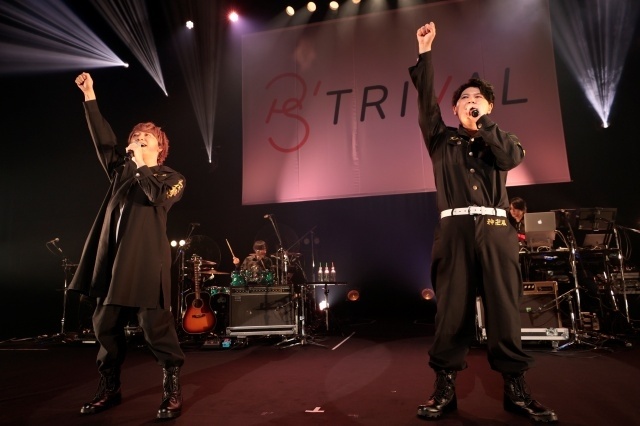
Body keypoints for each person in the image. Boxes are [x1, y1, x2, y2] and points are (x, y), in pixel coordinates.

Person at [409, 23, 557, 422]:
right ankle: (444, 390)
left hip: (495, 232)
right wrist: (425, 52)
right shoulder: (441, 140)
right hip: (454, 232)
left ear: (489, 106)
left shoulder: (502, 140)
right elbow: (425, 101)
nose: (470, 101)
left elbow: (511, 158)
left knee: (504, 311)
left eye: (477, 98)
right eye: (464, 98)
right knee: (451, 313)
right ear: (454, 109)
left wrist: (486, 125)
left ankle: (516, 390)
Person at [69, 72, 186, 419]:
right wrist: (90, 95)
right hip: (113, 263)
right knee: (105, 326)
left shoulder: (172, 178)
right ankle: (110, 388)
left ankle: (171, 390)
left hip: (147, 263)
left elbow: (155, 197)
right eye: (135, 136)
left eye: (146, 137)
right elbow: (104, 142)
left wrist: (140, 166)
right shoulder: (121, 172)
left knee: (155, 329)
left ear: (159, 148)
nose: (138, 139)